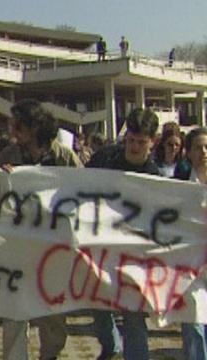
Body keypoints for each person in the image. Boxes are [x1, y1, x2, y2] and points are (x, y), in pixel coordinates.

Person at [0, 99, 82, 360]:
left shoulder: (64, 156)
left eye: (17, 125)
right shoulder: (9, 155)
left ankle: (50, 355)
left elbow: (84, 190)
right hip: (17, 249)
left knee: (53, 318)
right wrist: (3, 178)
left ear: (33, 126)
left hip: (53, 248)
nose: (13, 131)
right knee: (14, 312)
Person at [87, 108, 160, 360]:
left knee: (134, 315)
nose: (134, 147)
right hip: (100, 250)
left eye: (141, 142)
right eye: (131, 140)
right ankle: (111, 345)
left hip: (135, 258)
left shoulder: (156, 178)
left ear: (152, 142)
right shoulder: (105, 158)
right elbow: (75, 183)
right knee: (97, 306)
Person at [174, 127, 207, 360]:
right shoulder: (177, 186)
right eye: (198, 147)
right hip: (190, 267)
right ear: (188, 153)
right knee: (193, 325)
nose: (204, 152)